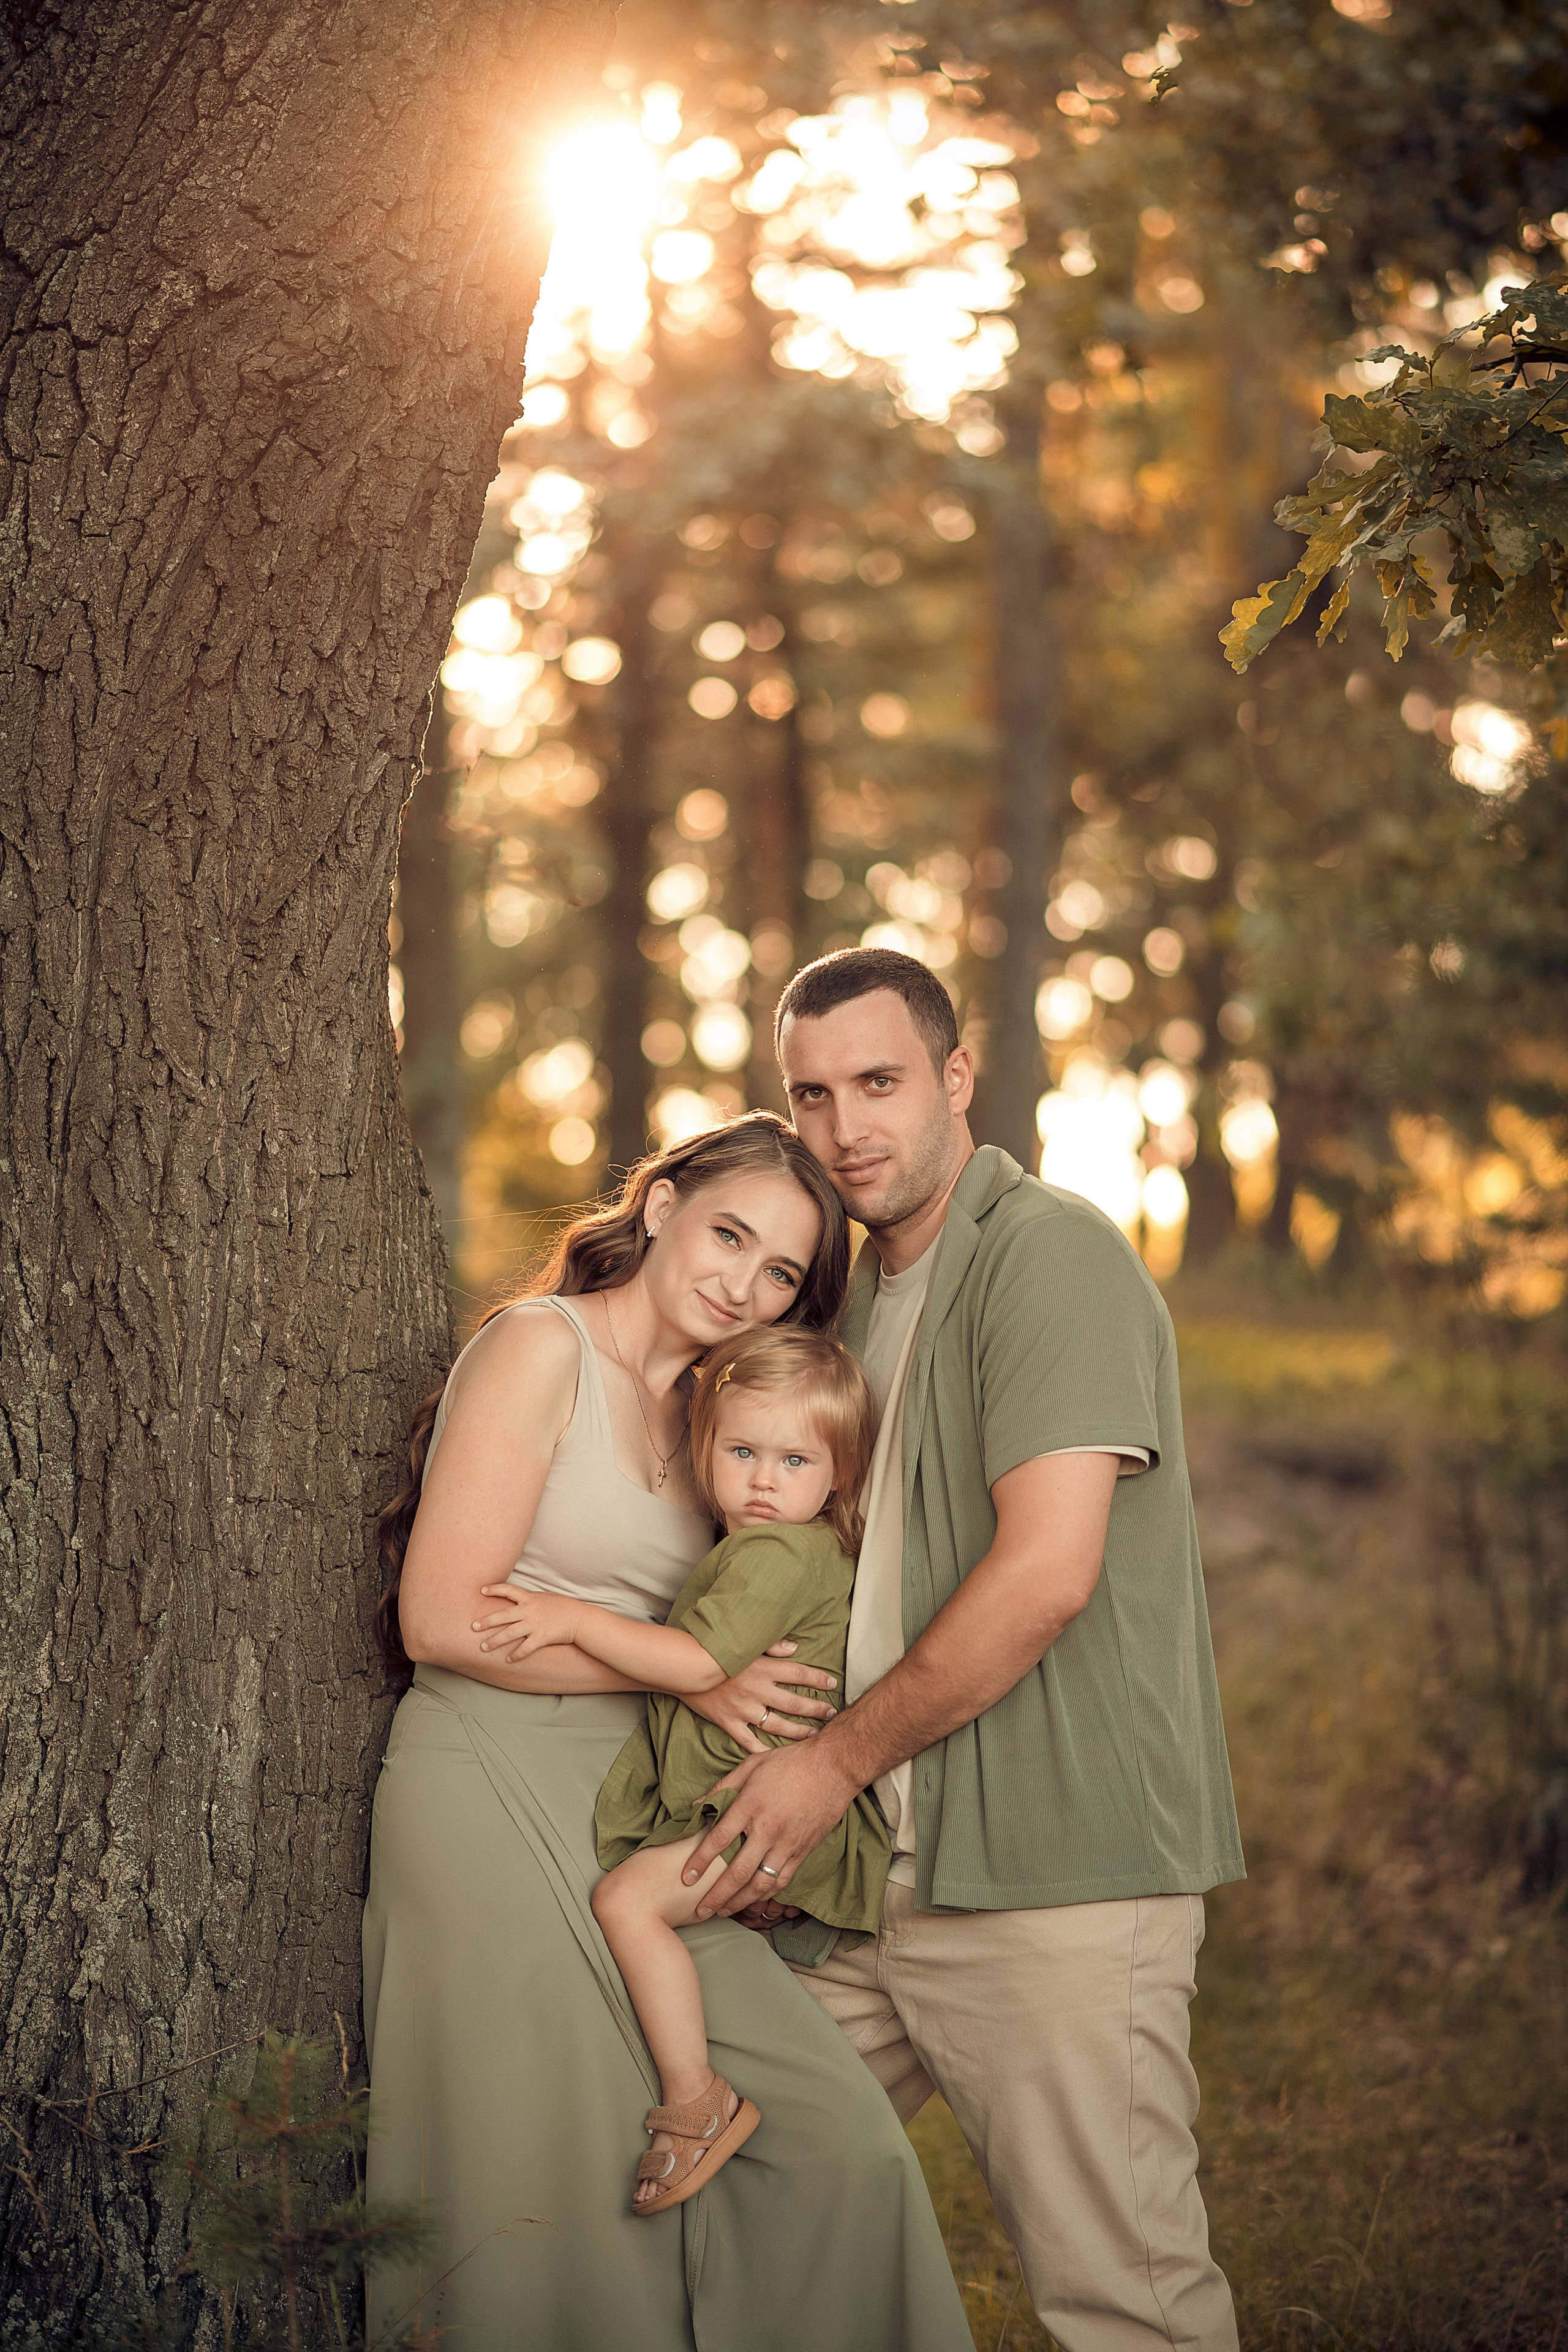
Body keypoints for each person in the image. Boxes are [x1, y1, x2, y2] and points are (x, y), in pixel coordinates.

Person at [681, 949, 1248, 2352]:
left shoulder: (1047, 1254)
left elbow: (1045, 1576)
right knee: (736, 2219)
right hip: (868, 1883)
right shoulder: (842, 1309)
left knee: (1124, 2299)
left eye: (877, 1084)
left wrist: (823, 1769)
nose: (843, 1130)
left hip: (1050, 1886)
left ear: (952, 1078)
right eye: (809, 1097)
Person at [361, 1110, 971, 2352]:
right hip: (483, 1778)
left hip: (641, 1811)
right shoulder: (542, 1350)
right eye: (726, 1235)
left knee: (838, 2142)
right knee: (562, 2187)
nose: (739, 1284)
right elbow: (436, 1619)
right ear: (658, 1210)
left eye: (777, 1273)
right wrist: (688, 1687)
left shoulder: (727, 1408)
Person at [476, 1324, 887, 2219]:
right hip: (745, 1801)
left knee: (624, 1901)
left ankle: (697, 2102)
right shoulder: (767, 1547)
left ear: (839, 1475)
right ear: (705, 1451)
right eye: (742, 1451)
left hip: (764, 1815)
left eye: (794, 1459)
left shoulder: (777, 1551)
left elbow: (700, 1663)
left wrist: (569, 1619)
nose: (764, 1480)